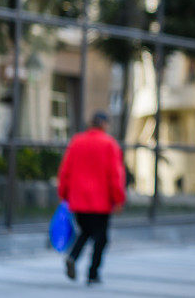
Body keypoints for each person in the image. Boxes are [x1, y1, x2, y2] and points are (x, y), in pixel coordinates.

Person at [57, 111, 125, 284]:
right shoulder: (109, 144)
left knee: (86, 231)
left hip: (78, 200)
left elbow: (65, 171)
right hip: (101, 201)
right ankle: (93, 273)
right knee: (101, 238)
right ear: (104, 124)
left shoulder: (77, 141)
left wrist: (63, 193)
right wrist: (118, 198)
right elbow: (115, 175)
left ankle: (73, 257)